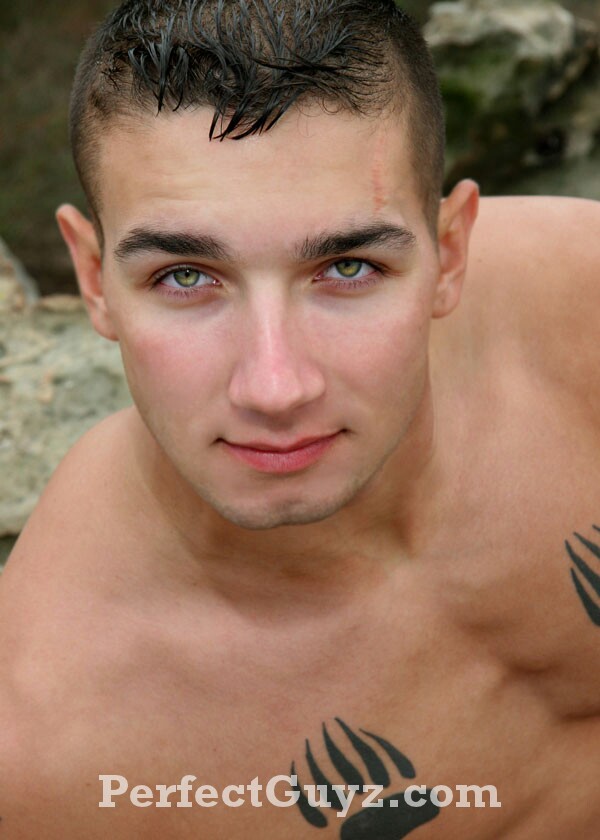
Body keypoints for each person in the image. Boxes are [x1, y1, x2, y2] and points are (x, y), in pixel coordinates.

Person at [1, 0, 598, 837]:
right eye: (185, 276)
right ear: (94, 279)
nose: (276, 386)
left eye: (348, 267)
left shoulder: (581, 312)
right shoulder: (52, 744)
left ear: (450, 251)